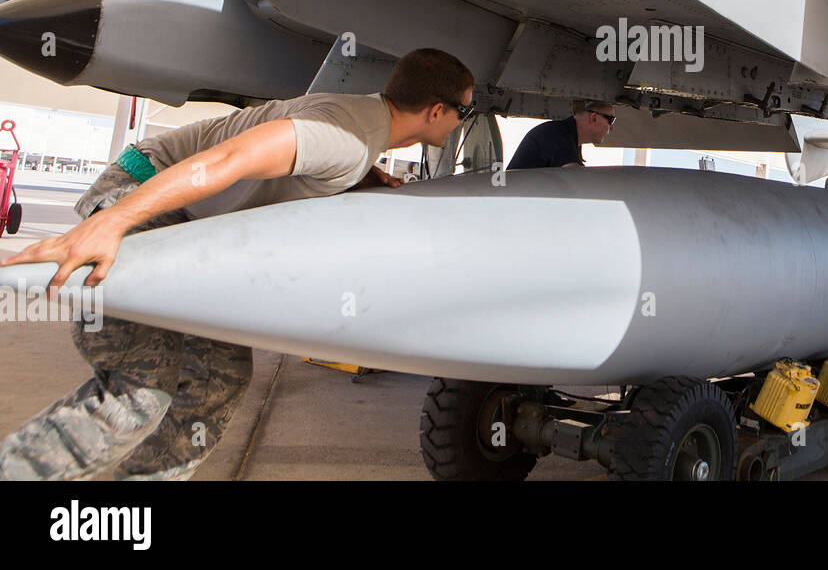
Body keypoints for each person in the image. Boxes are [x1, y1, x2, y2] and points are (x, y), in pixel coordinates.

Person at [0, 47, 474, 480]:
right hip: (143, 200)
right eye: (463, 111)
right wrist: (114, 220)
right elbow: (229, 158)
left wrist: (362, 175)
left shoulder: (360, 124)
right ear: (436, 111)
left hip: (185, 222)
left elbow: (299, 147)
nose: (459, 122)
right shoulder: (350, 139)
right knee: (136, 394)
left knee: (215, 383)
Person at [506, 99, 615, 170]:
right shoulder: (558, 135)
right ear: (594, 118)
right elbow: (576, 182)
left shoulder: (567, 136)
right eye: (611, 120)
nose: (612, 127)